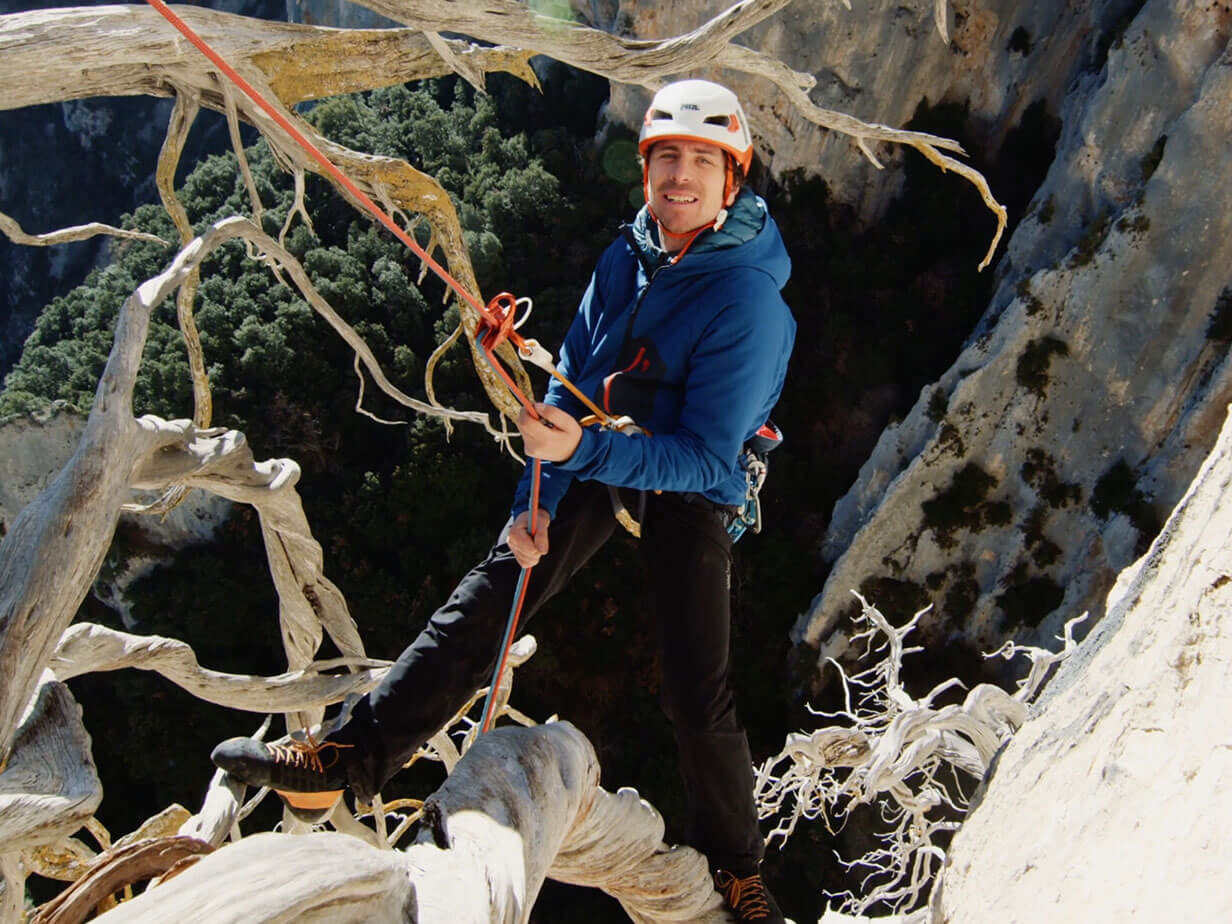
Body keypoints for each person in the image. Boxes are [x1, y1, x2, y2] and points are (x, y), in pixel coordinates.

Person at [212, 78, 795, 923]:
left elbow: (706, 458)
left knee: (694, 686)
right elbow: (575, 389)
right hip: (602, 435)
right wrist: (540, 503)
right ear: (646, 169)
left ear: (730, 180)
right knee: (496, 587)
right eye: (666, 156)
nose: (679, 176)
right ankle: (352, 750)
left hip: (689, 472)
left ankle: (737, 871)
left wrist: (585, 448)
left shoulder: (748, 300)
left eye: (701, 162)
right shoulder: (629, 253)